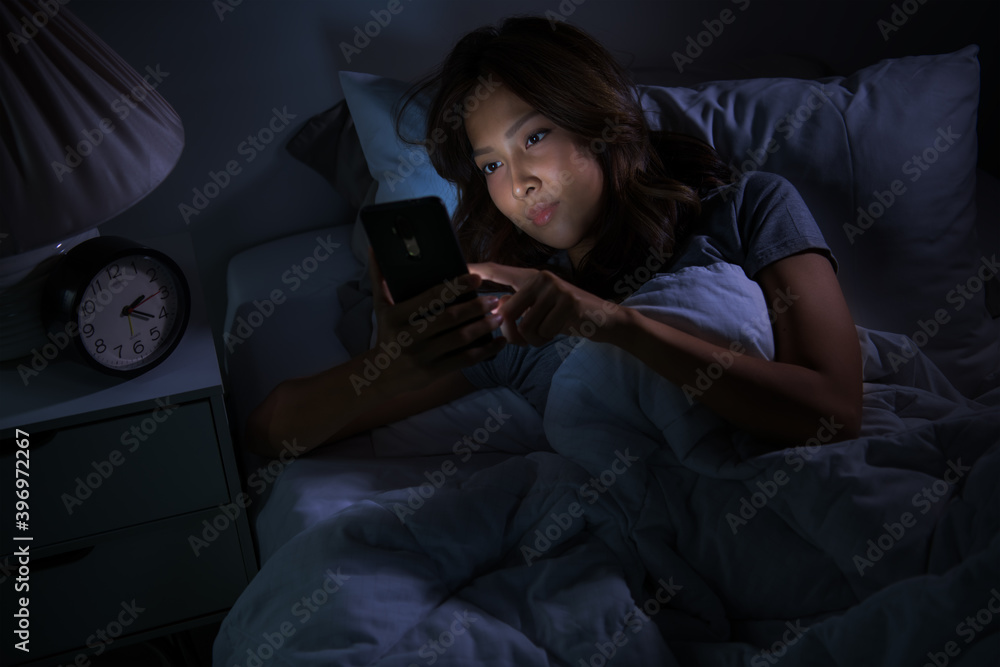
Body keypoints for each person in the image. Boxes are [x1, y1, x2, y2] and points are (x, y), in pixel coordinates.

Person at [244, 16, 862, 459]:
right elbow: (274, 431)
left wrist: (611, 323)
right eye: (489, 165)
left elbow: (834, 412)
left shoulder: (751, 208)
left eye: (533, 138)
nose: (518, 183)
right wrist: (391, 369)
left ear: (598, 121)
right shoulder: (513, 311)